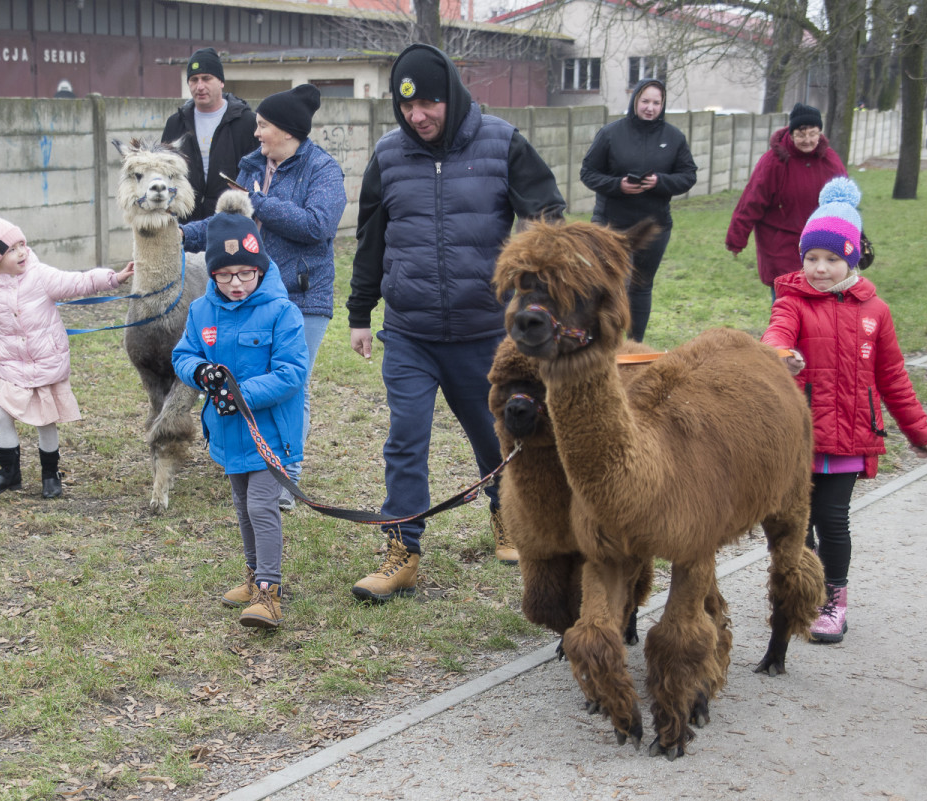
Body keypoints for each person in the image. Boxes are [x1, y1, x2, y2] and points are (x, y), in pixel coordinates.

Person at [345, 43, 566, 602]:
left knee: (496, 436)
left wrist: (534, 294)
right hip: (411, 333)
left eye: (430, 104)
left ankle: (507, 514)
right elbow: (371, 237)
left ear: (451, 95)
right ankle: (403, 551)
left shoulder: (502, 143)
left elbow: (547, 220)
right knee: (405, 439)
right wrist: (359, 312)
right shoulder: (389, 156)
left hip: (483, 333)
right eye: (407, 107)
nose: (418, 116)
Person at [761, 177, 927, 644]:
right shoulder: (792, 301)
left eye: (832, 259)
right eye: (811, 258)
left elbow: (893, 376)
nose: (819, 269)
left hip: (850, 436)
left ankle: (834, 599)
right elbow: (776, 335)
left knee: (831, 518)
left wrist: (918, 432)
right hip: (799, 437)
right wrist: (782, 356)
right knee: (793, 522)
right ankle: (800, 587)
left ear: (852, 258)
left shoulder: (875, 312)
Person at [182, 83, 346, 511]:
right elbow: (227, 223)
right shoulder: (251, 164)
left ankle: (284, 478)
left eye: (263, 125)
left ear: (288, 131)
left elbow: (318, 225)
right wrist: (176, 236)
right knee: (249, 378)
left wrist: (260, 202)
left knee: (293, 385)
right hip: (249, 294)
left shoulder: (322, 170)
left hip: (301, 295)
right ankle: (251, 463)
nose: (256, 134)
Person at [172, 190, 308, 630]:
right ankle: (252, 577)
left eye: (245, 274)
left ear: (260, 268)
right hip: (228, 434)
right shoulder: (200, 310)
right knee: (241, 502)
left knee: (262, 507)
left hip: (268, 433)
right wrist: (201, 374)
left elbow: (291, 372)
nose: (235, 283)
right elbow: (183, 355)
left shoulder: (281, 312)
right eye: (226, 275)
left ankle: (270, 590)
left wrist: (240, 393)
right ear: (212, 274)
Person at [0, 206, 134, 499]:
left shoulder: (40, 275)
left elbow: (78, 282)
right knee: (0, 414)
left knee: (45, 419)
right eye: (11, 250)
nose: (21, 252)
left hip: (46, 361)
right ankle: (9, 472)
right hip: (14, 363)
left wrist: (113, 278)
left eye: (21, 244)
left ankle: (50, 474)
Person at [580, 78, 697, 342]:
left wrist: (660, 182)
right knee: (610, 286)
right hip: (612, 224)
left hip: (654, 225)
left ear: (663, 105)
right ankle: (603, 342)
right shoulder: (610, 134)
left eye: (656, 102)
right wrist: (617, 185)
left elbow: (688, 176)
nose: (650, 108)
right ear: (635, 101)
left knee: (641, 288)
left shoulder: (674, 137)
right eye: (645, 101)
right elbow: (588, 173)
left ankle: (634, 346)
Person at [726, 103, 847, 300]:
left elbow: (846, 203)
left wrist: (853, 234)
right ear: (790, 134)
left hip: (822, 246)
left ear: (820, 133)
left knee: (822, 310)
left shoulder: (830, 161)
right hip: (781, 247)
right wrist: (736, 238)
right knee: (787, 309)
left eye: (813, 133)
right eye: (801, 134)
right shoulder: (773, 162)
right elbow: (751, 202)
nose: (807, 140)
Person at [160, 47, 258, 224]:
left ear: (221, 81)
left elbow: (258, 175)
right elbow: (163, 173)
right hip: (185, 225)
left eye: (206, 78)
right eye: (194, 79)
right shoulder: (176, 123)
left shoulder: (246, 122)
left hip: (231, 223)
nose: (200, 86)